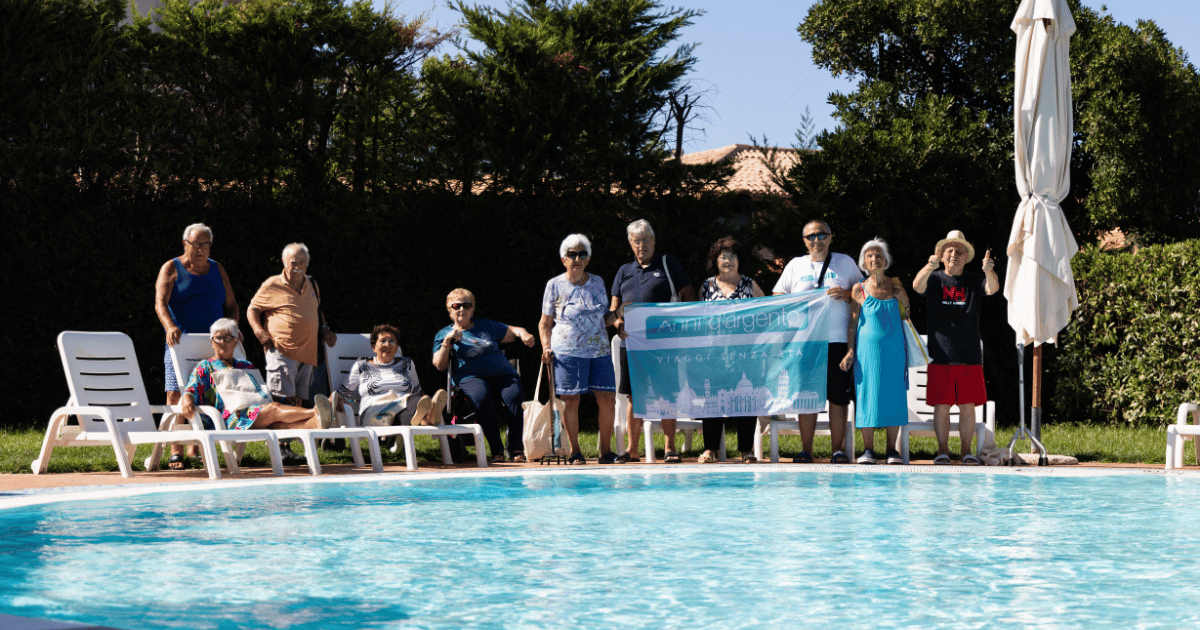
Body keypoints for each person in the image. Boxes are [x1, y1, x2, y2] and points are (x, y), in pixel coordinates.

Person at [772, 220, 862, 464]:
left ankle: (837, 451)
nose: (817, 240)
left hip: (838, 342)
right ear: (804, 241)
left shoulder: (845, 262)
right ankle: (806, 450)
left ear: (830, 237)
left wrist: (846, 294)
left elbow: (864, 292)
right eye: (811, 236)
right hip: (806, 343)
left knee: (838, 398)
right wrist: (797, 301)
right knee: (807, 396)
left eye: (822, 235)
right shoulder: (795, 265)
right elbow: (777, 295)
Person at [610, 219, 696, 463]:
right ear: (630, 243)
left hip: (663, 344)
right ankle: (632, 450)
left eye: (646, 240)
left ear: (654, 240)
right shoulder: (624, 271)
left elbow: (689, 297)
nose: (642, 245)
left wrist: (677, 322)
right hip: (632, 345)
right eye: (637, 241)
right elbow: (613, 310)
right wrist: (619, 325)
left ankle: (670, 448)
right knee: (633, 397)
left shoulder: (669, 264)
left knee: (665, 394)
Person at [154, 222, 239, 469]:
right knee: (176, 393)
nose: (201, 249)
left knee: (208, 393)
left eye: (206, 244)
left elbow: (232, 304)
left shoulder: (217, 269)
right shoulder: (172, 267)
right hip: (180, 343)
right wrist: (170, 326)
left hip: (213, 344)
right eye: (196, 244)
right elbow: (160, 303)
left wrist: (232, 328)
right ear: (185, 243)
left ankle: (197, 448)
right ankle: (176, 450)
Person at [912, 230, 999, 466]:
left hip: (969, 355)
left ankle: (966, 452)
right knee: (941, 406)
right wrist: (928, 267)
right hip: (940, 354)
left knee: (967, 406)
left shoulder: (974, 279)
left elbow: (992, 288)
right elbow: (917, 286)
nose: (954, 254)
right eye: (949, 250)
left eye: (959, 250)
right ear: (941, 255)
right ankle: (942, 451)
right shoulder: (934, 278)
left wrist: (989, 271)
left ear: (966, 256)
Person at [247, 243, 336, 463]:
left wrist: (324, 328)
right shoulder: (273, 284)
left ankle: (288, 446)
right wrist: (259, 331)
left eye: (301, 262)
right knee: (282, 399)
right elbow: (252, 309)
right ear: (283, 262)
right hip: (281, 350)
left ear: (307, 263)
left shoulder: (312, 284)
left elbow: (317, 310)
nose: (297, 266)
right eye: (293, 262)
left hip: (307, 352)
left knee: (297, 402)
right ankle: (279, 447)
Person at [538, 235, 620, 465]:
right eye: (572, 254)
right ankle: (575, 452)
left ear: (588, 258)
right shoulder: (554, 285)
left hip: (599, 350)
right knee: (571, 400)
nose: (577, 259)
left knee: (607, 398)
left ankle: (606, 452)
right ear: (563, 259)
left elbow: (604, 319)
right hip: (567, 351)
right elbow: (544, 322)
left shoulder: (597, 282)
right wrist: (546, 347)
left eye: (582, 254)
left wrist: (618, 314)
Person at [433, 288, 535, 463]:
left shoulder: (485, 325)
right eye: (456, 306)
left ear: (472, 309)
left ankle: (516, 448)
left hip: (503, 374)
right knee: (481, 398)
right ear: (450, 310)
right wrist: (447, 341)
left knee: (514, 395)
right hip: (470, 377)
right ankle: (496, 450)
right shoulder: (443, 334)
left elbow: (513, 330)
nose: (462, 309)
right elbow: (439, 364)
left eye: (466, 305)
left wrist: (524, 334)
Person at [181, 318, 333, 432]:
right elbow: (191, 389)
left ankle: (317, 422)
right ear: (212, 342)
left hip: (255, 412)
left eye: (227, 338)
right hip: (232, 418)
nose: (222, 342)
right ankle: (317, 411)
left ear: (235, 342)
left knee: (280, 425)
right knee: (273, 409)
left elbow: (260, 392)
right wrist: (187, 400)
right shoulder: (206, 366)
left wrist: (284, 399)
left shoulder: (245, 365)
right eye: (217, 338)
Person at [840, 238, 910, 465]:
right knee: (867, 395)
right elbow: (852, 324)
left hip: (895, 350)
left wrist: (905, 301)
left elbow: (907, 317)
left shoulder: (896, 286)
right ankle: (868, 450)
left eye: (878, 255)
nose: (874, 259)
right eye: (869, 255)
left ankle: (892, 450)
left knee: (894, 395)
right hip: (866, 352)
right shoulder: (858, 289)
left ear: (886, 260)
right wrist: (850, 351)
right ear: (864, 262)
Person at [698, 236, 764, 464]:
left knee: (746, 400)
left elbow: (768, 311)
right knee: (712, 400)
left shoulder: (750, 284)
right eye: (723, 257)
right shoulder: (706, 286)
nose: (728, 261)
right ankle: (710, 449)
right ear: (715, 261)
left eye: (732, 256)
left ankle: (746, 450)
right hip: (713, 355)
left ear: (739, 260)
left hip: (745, 354)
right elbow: (699, 318)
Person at [335, 324, 446, 430]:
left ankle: (427, 417)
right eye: (383, 340)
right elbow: (342, 393)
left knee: (415, 401)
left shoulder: (407, 364)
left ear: (396, 347)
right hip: (375, 409)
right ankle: (427, 419)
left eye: (392, 341)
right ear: (374, 347)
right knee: (410, 407)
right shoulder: (362, 366)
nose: (387, 344)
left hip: (403, 408)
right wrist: (336, 399)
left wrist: (424, 403)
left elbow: (417, 391)